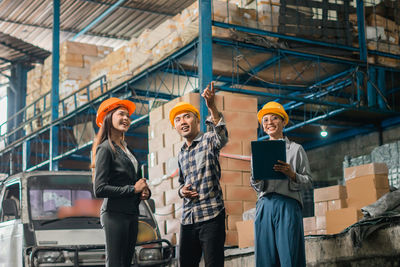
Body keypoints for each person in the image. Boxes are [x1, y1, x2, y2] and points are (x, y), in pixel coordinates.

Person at [169, 83, 228, 267]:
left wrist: (211, 106)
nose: (183, 122)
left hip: (211, 215)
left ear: (196, 120)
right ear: (176, 127)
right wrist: (181, 192)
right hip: (188, 218)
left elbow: (222, 135)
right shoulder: (181, 153)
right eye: (178, 120)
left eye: (187, 117)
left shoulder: (209, 140)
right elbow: (181, 183)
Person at [250, 101, 312, 267]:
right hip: (264, 205)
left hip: (288, 204)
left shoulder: (296, 149)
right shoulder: (258, 151)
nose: (269, 122)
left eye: (274, 118)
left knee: (289, 255)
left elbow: (308, 182)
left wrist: (292, 174)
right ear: (263, 126)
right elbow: (255, 184)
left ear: (283, 122)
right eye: (265, 120)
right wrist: (257, 179)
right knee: (265, 257)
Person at [91, 97, 151, 267]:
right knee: (116, 263)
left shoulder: (127, 149)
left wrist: (144, 191)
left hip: (131, 213)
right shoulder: (105, 148)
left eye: (128, 116)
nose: (126, 118)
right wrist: (133, 189)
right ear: (109, 118)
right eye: (121, 114)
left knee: (126, 263)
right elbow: (99, 189)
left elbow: (135, 181)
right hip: (114, 214)